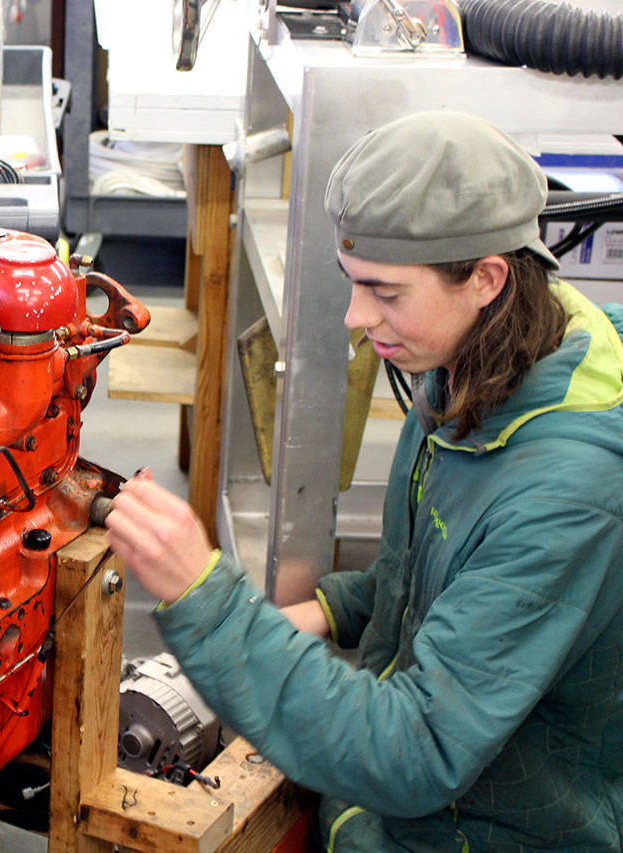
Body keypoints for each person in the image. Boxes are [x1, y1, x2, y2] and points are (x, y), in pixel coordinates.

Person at [106, 110, 623, 851]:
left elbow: (414, 752)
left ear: (487, 277)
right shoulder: (474, 363)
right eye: (353, 285)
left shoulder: (569, 492)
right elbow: (439, 571)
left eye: (385, 291)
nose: (356, 317)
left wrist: (208, 601)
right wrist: (322, 611)